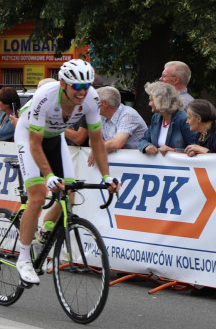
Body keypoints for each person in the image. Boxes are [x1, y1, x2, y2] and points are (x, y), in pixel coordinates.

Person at [13, 59, 119, 285]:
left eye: (87, 86)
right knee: (38, 196)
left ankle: (43, 234)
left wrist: (106, 176)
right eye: (77, 87)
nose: (83, 92)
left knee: (69, 194)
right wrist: (49, 175)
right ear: (63, 84)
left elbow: (97, 141)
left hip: (56, 137)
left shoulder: (91, 98)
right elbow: (34, 144)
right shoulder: (45, 98)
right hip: (29, 136)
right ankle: (23, 258)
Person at [85, 86, 149, 165]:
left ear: (105, 103)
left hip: (140, 164)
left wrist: (97, 148)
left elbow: (117, 143)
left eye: (95, 100)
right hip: (123, 164)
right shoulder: (100, 115)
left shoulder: (128, 114)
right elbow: (92, 141)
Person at [139, 81, 196, 155]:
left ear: (161, 101)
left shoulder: (182, 119)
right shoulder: (156, 117)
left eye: (151, 100)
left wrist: (173, 150)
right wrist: (147, 146)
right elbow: (143, 140)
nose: (149, 104)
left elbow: (195, 147)